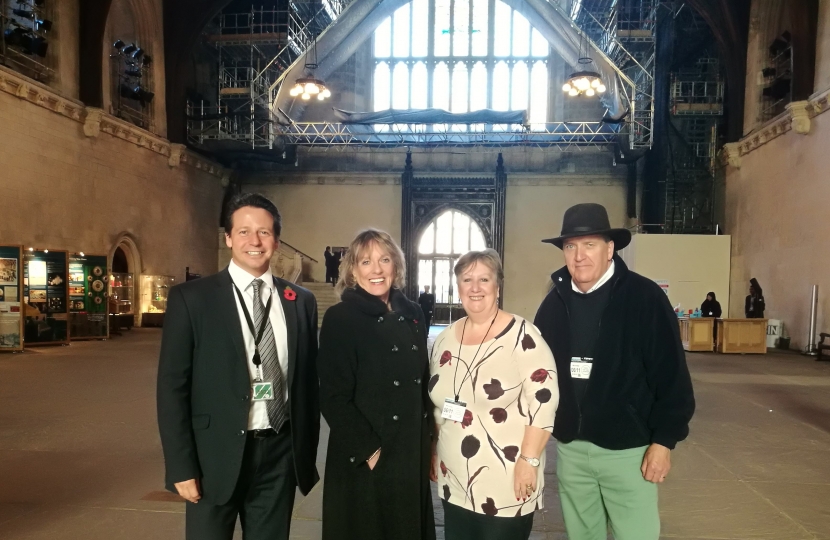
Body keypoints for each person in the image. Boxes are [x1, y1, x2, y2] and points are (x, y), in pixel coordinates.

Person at [157, 192, 320, 540]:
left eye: (263, 232)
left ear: (276, 240)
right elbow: (172, 387)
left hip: (279, 453)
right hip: (213, 455)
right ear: (228, 238)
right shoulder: (193, 299)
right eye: (243, 232)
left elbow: (306, 383)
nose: (254, 241)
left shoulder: (299, 302)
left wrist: (299, 456)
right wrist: (181, 466)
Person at [534, 203, 695, 540]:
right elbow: (537, 377)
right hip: (571, 451)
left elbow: (672, 376)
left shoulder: (644, 297)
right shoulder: (553, 304)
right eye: (571, 246)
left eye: (589, 244)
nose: (579, 256)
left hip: (628, 450)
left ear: (610, 249)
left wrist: (664, 441)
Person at [429, 249, 559, 540]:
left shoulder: (523, 336)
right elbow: (439, 406)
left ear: (497, 287)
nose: (475, 288)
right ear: (458, 287)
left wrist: (529, 462)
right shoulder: (444, 338)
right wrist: (435, 450)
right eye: (467, 279)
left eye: (484, 279)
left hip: (506, 479)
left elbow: (544, 404)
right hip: (456, 481)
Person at [317, 229, 435, 540]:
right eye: (366, 262)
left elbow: (421, 383)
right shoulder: (340, 318)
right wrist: (370, 451)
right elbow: (332, 396)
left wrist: (430, 440)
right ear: (353, 270)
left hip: (410, 448)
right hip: (367, 453)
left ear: (396, 265)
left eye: (384, 260)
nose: (377, 270)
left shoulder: (413, 314)